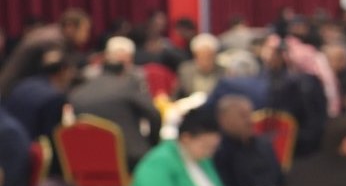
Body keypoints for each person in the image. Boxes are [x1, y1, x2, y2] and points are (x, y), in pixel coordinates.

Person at [68, 37, 161, 168]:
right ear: (122, 71)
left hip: (87, 159)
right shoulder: (127, 85)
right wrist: (153, 142)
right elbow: (154, 114)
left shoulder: (77, 93)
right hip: (128, 157)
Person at [4, 49, 73, 141]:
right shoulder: (54, 99)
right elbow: (52, 139)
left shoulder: (23, 84)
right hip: (28, 145)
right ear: (63, 70)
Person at [178, 33, 223, 99]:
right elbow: (177, 94)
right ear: (195, 56)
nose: (205, 60)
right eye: (202, 56)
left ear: (215, 56)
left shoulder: (223, 72)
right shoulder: (185, 70)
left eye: (209, 56)